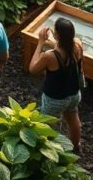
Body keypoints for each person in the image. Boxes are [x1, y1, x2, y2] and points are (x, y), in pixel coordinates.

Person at [29, 17, 83, 154]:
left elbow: (33, 69)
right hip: (74, 94)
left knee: (49, 125)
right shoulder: (77, 46)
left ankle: (51, 152)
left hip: (55, 99)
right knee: (73, 116)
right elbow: (65, 48)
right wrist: (55, 42)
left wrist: (40, 43)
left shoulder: (49, 56)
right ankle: (76, 145)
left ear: (57, 35)